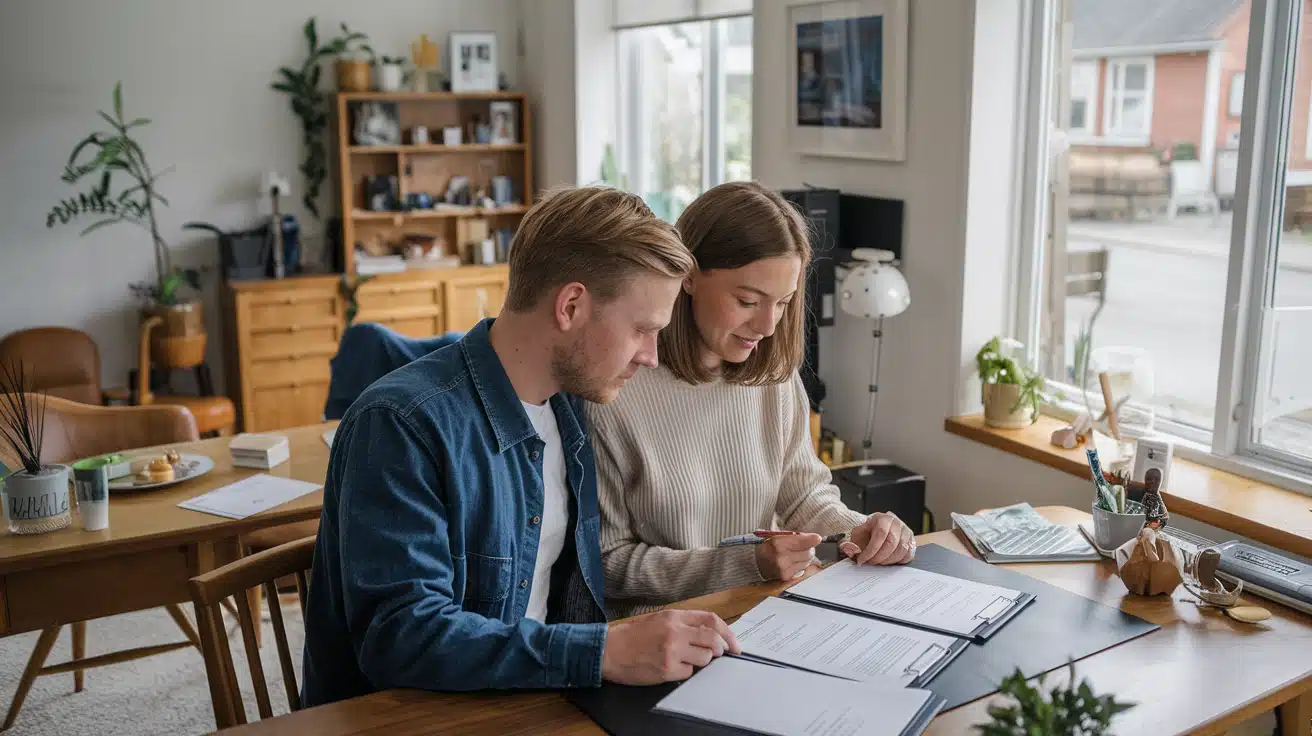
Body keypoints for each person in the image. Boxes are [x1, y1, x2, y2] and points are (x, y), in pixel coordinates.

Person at [302, 186, 742, 708]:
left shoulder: (569, 408)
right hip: (418, 719)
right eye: (642, 330)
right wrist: (600, 652)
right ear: (571, 305)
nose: (651, 356)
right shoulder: (401, 424)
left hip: (533, 701)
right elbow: (400, 639)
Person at [587, 181, 917, 619]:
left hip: (766, 616)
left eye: (782, 303)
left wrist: (861, 531)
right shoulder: (613, 392)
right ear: (689, 276)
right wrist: (745, 564)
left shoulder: (773, 376)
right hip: (662, 639)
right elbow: (607, 565)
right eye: (747, 301)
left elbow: (804, 496)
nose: (766, 325)